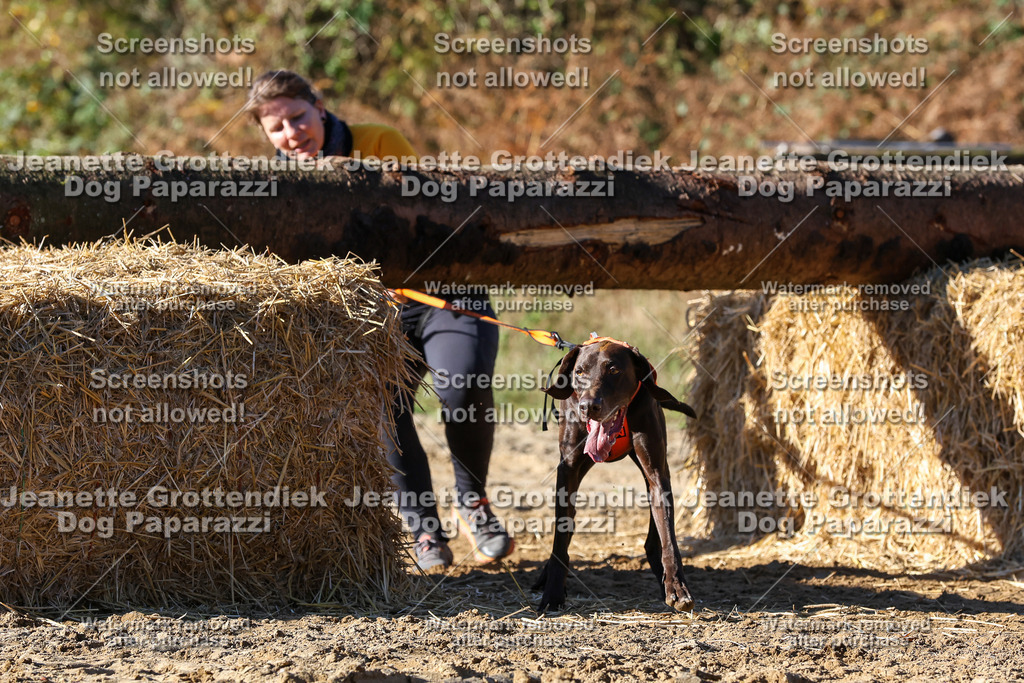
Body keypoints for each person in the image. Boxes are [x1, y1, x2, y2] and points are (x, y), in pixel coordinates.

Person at [245, 70, 514, 570]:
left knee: (465, 384)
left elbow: (418, 216)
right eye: (277, 128)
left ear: (319, 108)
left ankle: (474, 502)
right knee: (384, 408)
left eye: (299, 118)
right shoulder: (275, 183)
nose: (292, 134)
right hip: (373, 313)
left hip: (442, 292)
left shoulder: (379, 141)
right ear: (265, 135)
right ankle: (425, 531)